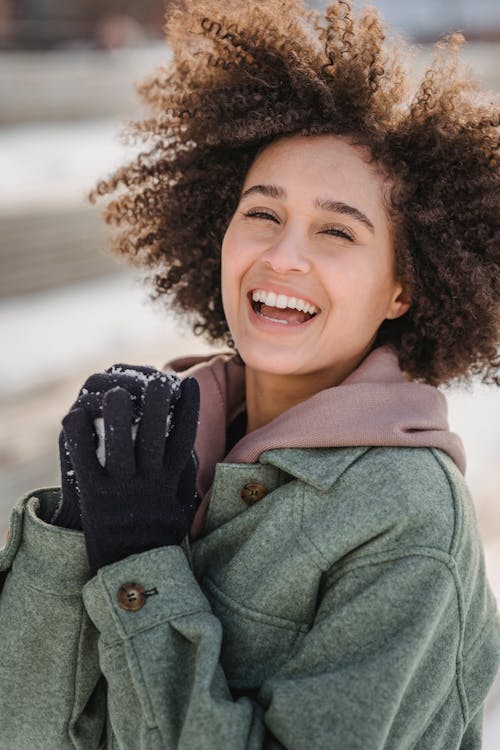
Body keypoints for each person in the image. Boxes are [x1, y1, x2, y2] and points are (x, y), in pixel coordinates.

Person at [0, 1, 499, 747]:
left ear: (404, 286)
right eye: (262, 213)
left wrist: (141, 564)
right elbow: (23, 727)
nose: (284, 256)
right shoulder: (163, 443)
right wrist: (75, 534)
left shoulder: (406, 520)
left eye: (337, 231)